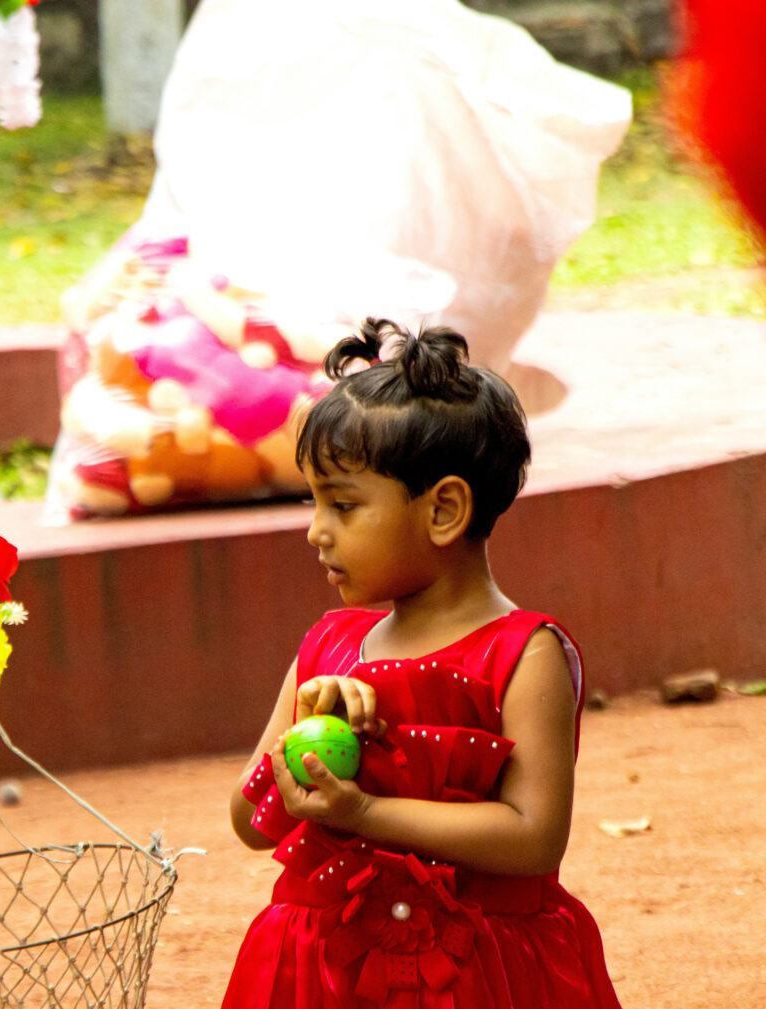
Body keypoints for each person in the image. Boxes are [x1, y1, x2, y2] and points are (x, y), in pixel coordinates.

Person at [223, 318, 621, 1009]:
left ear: (443, 509)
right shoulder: (327, 648)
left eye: (342, 505)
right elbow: (253, 823)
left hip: (482, 978)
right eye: (313, 501)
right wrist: (300, 742)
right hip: (324, 974)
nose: (316, 529)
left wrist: (367, 811)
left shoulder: (523, 655)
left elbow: (532, 836)